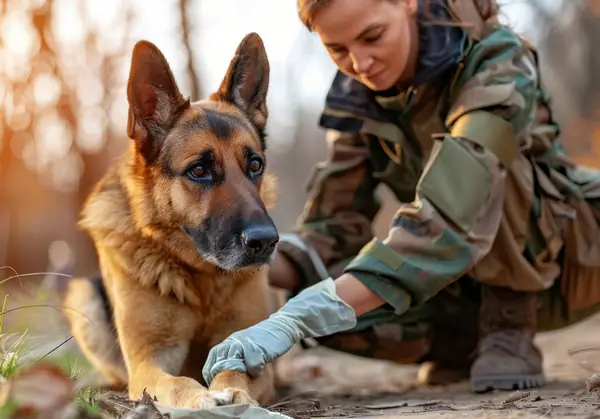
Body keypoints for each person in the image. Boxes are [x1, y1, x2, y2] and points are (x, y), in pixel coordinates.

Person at [202, 0, 600, 393]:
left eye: (372, 36)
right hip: (454, 275)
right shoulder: (355, 95)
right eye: (337, 49)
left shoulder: (496, 61)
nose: (360, 64)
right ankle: (462, 342)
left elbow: (449, 214)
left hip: (574, 259)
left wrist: (299, 318)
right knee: (326, 305)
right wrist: (242, 257)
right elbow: (333, 227)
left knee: (486, 169)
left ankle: (507, 324)